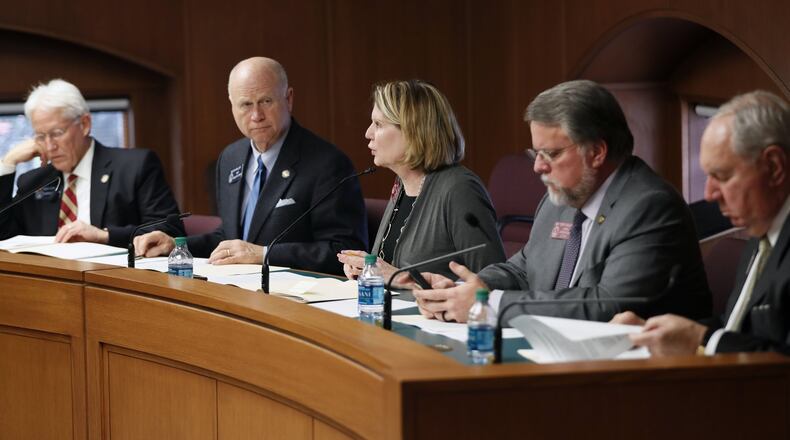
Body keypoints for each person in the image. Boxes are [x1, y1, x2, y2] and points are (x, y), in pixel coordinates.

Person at [412, 80, 711, 323]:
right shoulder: (560, 200)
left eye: (551, 154)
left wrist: (490, 305)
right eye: (535, 154)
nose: (537, 167)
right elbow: (524, 268)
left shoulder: (649, 207)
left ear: (596, 152)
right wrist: (469, 291)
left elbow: (608, 304)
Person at [134, 57, 367, 274]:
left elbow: (344, 251)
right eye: (245, 104)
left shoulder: (328, 163)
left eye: (266, 101)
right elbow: (231, 237)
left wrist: (264, 255)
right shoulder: (230, 157)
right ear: (232, 107)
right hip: (237, 287)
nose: (256, 115)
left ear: (289, 98)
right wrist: (177, 245)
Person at [614, 90, 790, 356]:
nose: (709, 194)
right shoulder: (763, 231)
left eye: (722, 175)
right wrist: (652, 331)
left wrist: (704, 339)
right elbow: (739, 329)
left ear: (774, 166)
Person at [337, 80, 505, 281]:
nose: (368, 133)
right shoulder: (402, 185)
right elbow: (390, 271)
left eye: (379, 124)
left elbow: (493, 282)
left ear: (412, 130)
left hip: (438, 313)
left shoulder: (460, 189)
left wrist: (401, 278)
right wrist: (367, 271)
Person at [0, 79, 184, 247]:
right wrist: (7, 164)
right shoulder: (34, 182)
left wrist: (104, 236)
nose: (49, 146)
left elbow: (170, 232)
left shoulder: (134, 167)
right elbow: (5, 236)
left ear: (85, 124)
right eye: (41, 136)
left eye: (56, 133)